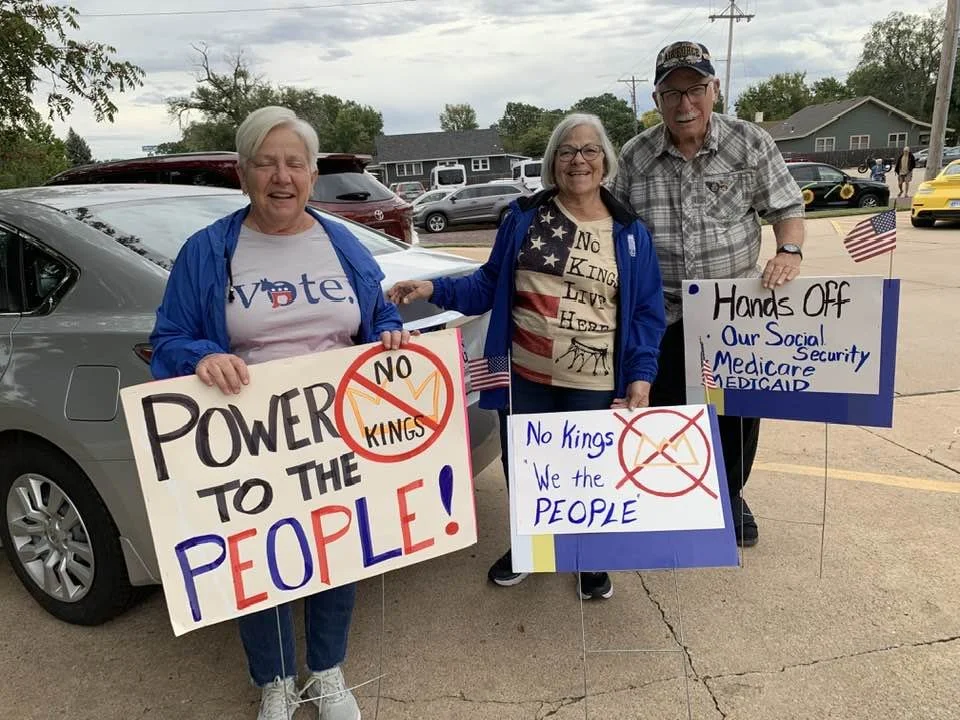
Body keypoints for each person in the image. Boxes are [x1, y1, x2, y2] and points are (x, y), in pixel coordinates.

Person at [150, 105, 412, 720]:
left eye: (294, 163)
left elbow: (379, 316)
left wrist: (391, 334)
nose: (281, 176)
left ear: (313, 172)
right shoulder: (209, 250)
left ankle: (326, 672)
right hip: (248, 437)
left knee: (336, 550)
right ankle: (273, 680)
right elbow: (167, 341)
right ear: (241, 173)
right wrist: (201, 357)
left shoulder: (341, 241)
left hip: (337, 429)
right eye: (265, 163)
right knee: (256, 558)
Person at [387, 113, 666, 600]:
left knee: (585, 471)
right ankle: (531, 546)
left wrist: (640, 375)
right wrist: (432, 286)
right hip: (522, 374)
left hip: (594, 380)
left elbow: (646, 311)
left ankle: (587, 555)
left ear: (605, 162)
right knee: (527, 469)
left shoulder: (629, 232)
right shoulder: (525, 217)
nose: (579, 160)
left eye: (590, 150)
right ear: (552, 162)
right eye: (567, 151)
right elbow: (489, 284)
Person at [611, 41, 806, 548]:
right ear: (655, 98)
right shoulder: (635, 157)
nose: (684, 103)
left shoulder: (750, 142)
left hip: (734, 313)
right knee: (668, 410)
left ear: (714, 89)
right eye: (671, 92)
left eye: (695, 89)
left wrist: (788, 251)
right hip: (664, 312)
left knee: (737, 413)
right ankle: (674, 494)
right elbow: (608, 223)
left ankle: (731, 494)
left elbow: (787, 206)